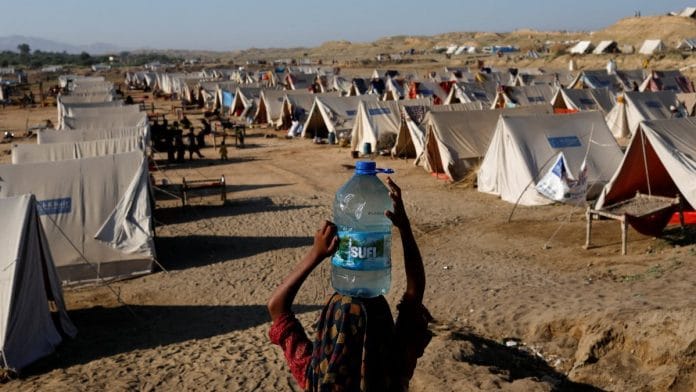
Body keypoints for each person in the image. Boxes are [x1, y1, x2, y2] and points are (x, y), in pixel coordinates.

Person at [268, 178, 431, 391]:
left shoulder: (315, 376)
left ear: (326, 334)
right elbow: (414, 293)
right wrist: (405, 228)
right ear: (382, 330)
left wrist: (315, 254)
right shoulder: (393, 367)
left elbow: (276, 307)